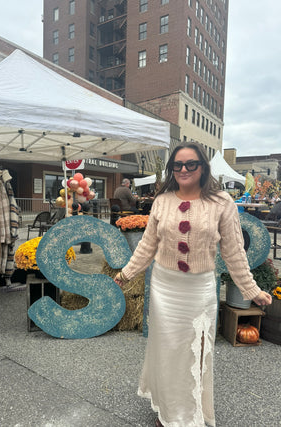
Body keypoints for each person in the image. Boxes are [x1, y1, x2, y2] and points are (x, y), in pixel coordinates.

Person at [114, 142, 272, 427]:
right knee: (168, 349)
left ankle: (190, 412)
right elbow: (148, 245)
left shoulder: (222, 202)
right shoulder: (161, 201)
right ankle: (168, 409)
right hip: (164, 288)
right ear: (171, 169)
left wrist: (251, 290)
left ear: (203, 167)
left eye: (191, 164)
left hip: (199, 291)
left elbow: (234, 252)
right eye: (177, 165)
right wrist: (126, 272)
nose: (184, 169)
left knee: (196, 352)